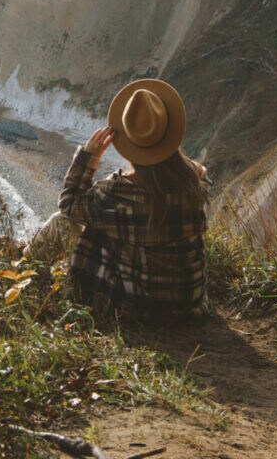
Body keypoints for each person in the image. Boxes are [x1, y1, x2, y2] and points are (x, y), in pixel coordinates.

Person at [37, 78, 211, 323]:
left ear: (128, 141)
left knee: (61, 222)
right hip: (188, 303)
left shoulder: (116, 194)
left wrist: (89, 158)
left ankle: (24, 275)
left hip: (139, 310)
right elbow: (192, 170)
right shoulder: (196, 184)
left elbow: (68, 206)